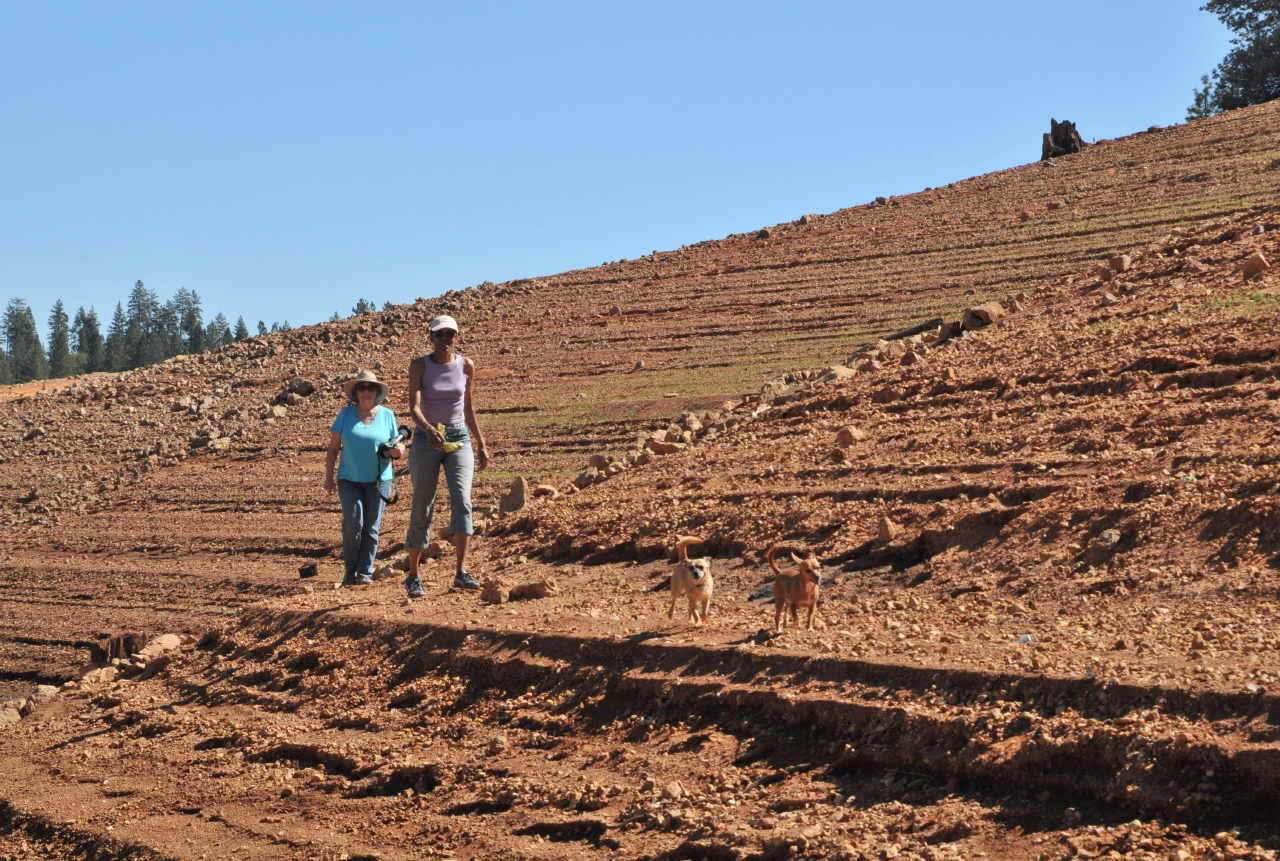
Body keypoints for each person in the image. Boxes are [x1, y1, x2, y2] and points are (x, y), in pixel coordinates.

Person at [404, 314, 491, 597]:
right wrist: (428, 429)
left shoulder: (466, 365)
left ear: (456, 336)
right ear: (431, 337)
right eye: (440, 334)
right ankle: (414, 576)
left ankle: (461, 572)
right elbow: (414, 408)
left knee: (463, 500)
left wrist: (481, 442)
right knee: (423, 504)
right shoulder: (420, 365)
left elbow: (468, 408)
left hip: (458, 437)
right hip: (425, 439)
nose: (445, 339)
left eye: (450, 334)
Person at [324, 370, 404, 586]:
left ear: (377, 391)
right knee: (353, 521)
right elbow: (333, 449)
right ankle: (350, 571)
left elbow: (397, 442)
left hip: (379, 480)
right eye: (362, 387)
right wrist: (328, 479)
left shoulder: (388, 415)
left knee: (371, 526)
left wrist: (400, 450)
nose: (366, 391)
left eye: (371, 387)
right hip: (349, 479)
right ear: (356, 392)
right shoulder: (345, 414)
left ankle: (364, 573)